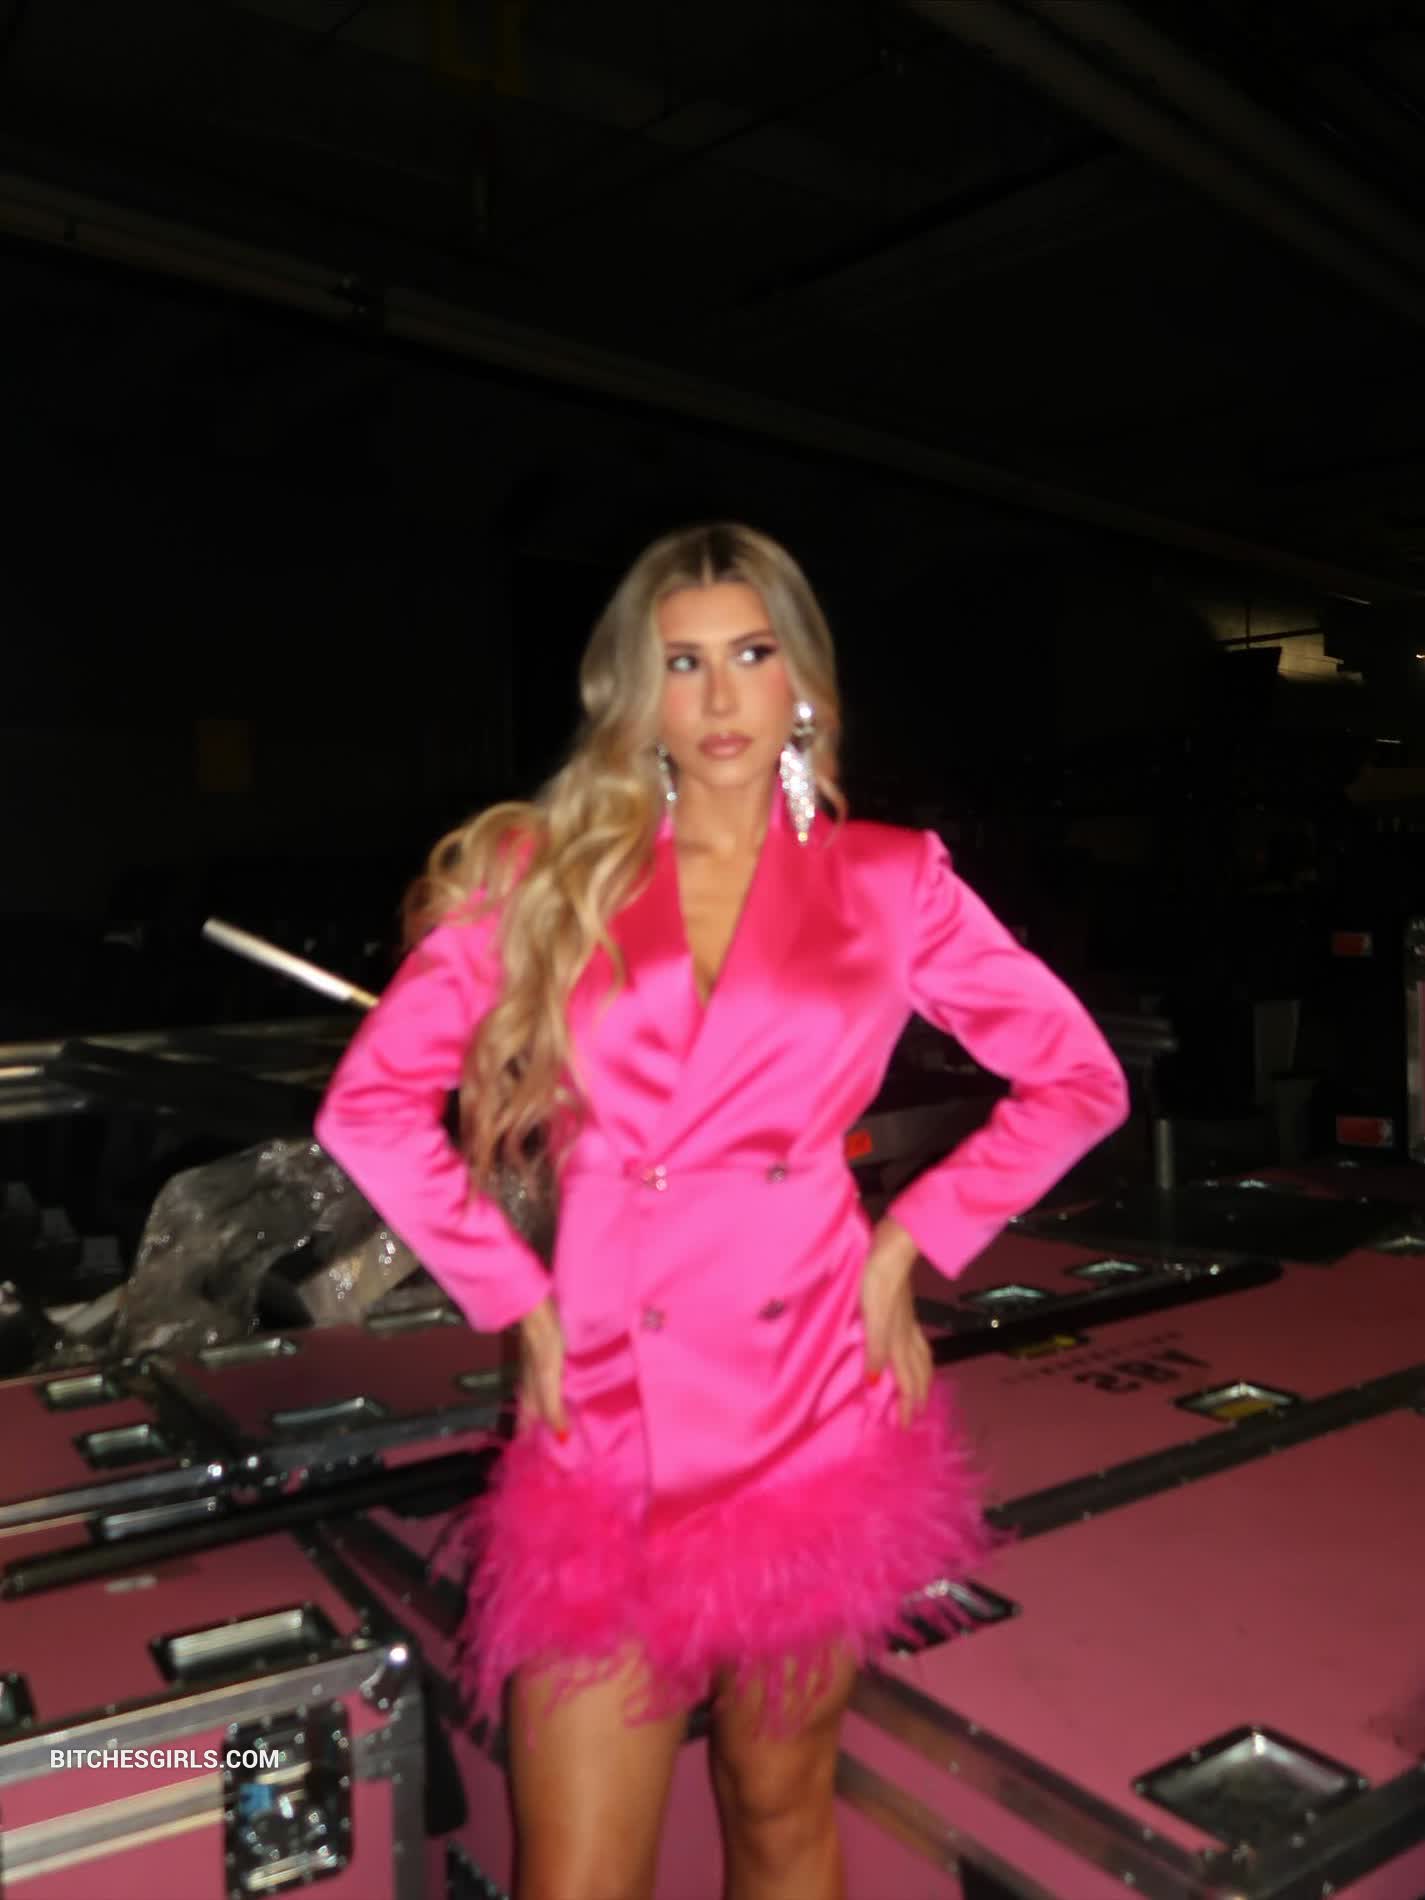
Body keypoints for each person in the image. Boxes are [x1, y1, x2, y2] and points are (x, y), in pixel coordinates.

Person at [314, 522, 1129, 1900]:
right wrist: (516, 1301)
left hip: (812, 1395)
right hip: (605, 1413)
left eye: (750, 655)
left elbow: (1077, 1080)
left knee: (777, 1801)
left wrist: (908, 1244)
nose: (718, 698)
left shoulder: (889, 879)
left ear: (801, 676)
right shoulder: (547, 871)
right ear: (635, 694)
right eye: (680, 664)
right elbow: (370, 1107)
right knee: (575, 1870)